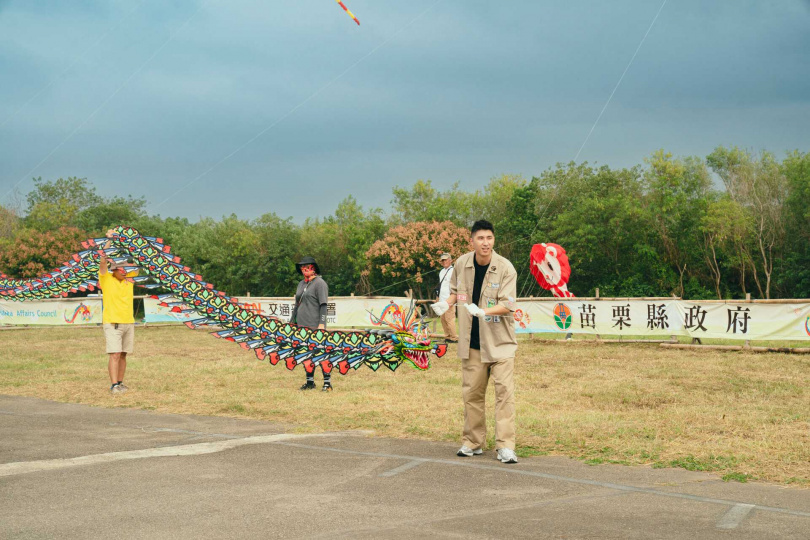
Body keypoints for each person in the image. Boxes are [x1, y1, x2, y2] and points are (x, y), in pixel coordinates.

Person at [431, 220, 519, 464]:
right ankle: (473, 442)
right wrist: (445, 304)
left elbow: (509, 304)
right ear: (472, 241)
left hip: (500, 343)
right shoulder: (461, 263)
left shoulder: (505, 268)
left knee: (504, 394)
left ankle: (505, 446)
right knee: (472, 394)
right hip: (472, 342)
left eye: (489, 238)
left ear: (494, 240)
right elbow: (457, 292)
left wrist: (484, 312)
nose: (485, 243)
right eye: (480, 238)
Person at [98, 229, 138, 395]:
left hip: (128, 322)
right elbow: (102, 260)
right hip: (113, 322)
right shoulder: (106, 278)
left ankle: (120, 383)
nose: (125, 271)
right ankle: (114, 385)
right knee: (114, 354)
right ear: (114, 269)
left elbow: (138, 259)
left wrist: (126, 239)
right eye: (122, 269)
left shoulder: (129, 281)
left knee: (123, 354)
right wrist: (109, 240)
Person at [290, 256, 332, 392]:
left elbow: (324, 305)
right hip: (301, 325)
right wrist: (292, 322)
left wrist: (322, 324)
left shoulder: (320, 283)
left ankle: (327, 383)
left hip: (315, 325)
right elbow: (297, 305)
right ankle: (310, 382)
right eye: (302, 267)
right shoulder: (301, 284)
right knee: (306, 353)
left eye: (307, 266)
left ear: (314, 268)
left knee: (320, 354)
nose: (304, 269)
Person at [436, 252, 458, 342]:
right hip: (441, 299)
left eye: (445, 259)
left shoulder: (453, 271)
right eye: (442, 260)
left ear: (450, 260)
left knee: (450, 318)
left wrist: (453, 297)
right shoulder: (441, 272)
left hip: (449, 299)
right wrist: (437, 298)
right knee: (443, 319)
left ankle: (454, 337)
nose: (444, 261)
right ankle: (447, 336)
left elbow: (456, 285)